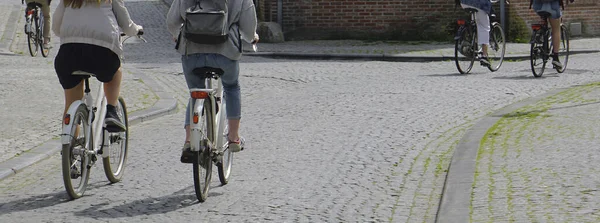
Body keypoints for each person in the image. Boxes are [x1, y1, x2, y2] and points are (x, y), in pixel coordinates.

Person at [166, 0, 258, 160]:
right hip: (226, 54)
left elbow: (172, 22)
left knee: (195, 92)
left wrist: (176, 35)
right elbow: (248, 28)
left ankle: (189, 140)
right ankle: (234, 138)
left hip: (191, 52)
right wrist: (253, 38)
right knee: (231, 87)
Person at [52, 0, 143, 132]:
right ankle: (112, 110)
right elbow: (127, 25)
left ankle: (69, 146)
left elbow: (56, 27)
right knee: (115, 71)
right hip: (102, 53)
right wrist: (137, 30)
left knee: (71, 104)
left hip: (68, 55)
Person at [530, 0, 574, 69]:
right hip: (552, 5)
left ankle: (540, 36)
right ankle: (555, 57)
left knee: (543, 16)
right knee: (556, 29)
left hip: (537, 6)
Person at [456, 0, 492, 67]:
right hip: (478, 3)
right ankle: (484, 55)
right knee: (484, 27)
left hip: (464, 3)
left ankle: (473, 42)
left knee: (475, 22)